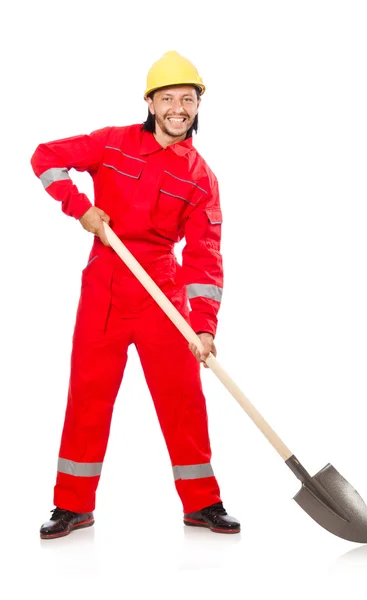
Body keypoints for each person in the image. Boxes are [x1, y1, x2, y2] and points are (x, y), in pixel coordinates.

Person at [31, 50, 240, 539]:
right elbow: (46, 158)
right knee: (88, 396)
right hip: (104, 287)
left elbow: (206, 256)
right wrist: (80, 208)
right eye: (167, 98)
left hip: (164, 299)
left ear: (197, 106)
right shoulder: (114, 144)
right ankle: (72, 506)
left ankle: (202, 503)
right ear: (150, 102)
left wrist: (203, 326)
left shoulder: (200, 177)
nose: (177, 108)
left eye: (187, 99)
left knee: (184, 399)